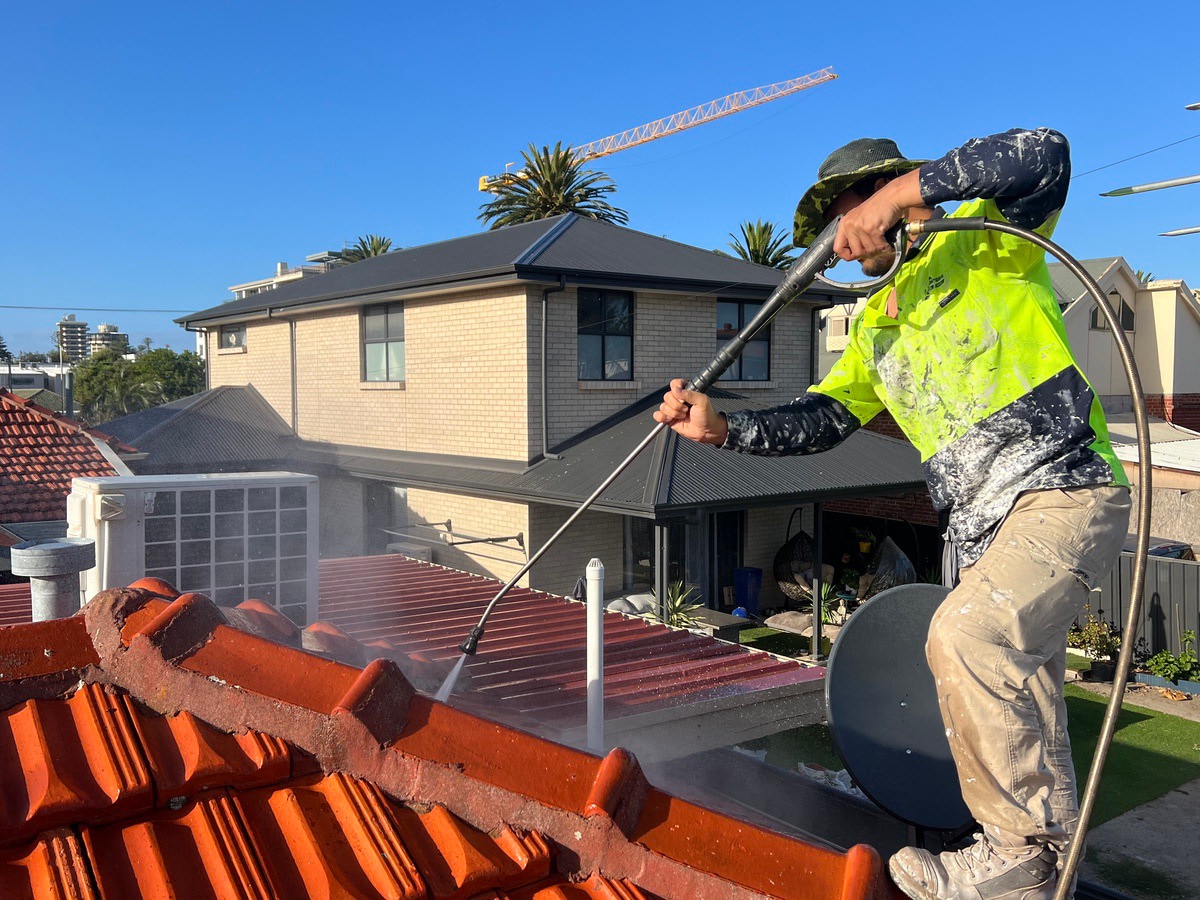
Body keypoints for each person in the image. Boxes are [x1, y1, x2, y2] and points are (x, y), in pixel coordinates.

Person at [655, 128, 1130, 900]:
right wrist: (723, 430)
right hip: (982, 531)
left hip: (1059, 486)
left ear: (886, 194)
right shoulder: (876, 324)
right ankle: (1045, 876)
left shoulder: (987, 236)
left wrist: (901, 196)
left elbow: (1045, 152)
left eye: (848, 212)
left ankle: (1011, 851)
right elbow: (826, 418)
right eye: (835, 226)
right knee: (1027, 712)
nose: (842, 238)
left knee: (966, 636)